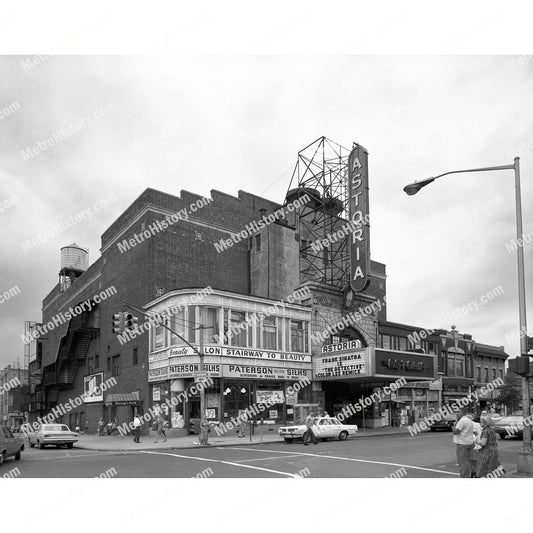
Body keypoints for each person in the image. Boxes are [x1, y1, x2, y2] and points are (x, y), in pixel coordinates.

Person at [452, 409, 475, 477]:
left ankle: (465, 476)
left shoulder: (462, 420)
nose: (456, 414)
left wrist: (454, 424)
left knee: (462, 462)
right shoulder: (469, 420)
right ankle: (467, 475)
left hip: (462, 444)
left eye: (458, 412)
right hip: (469, 443)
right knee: (466, 461)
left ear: (462, 412)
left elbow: (455, 431)